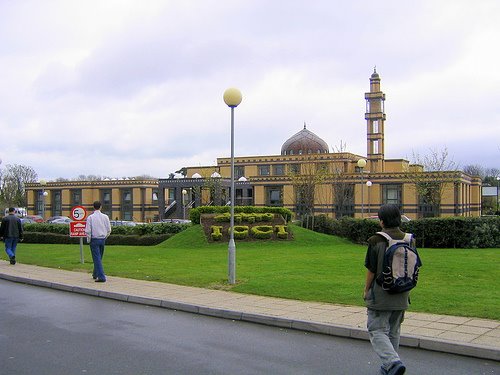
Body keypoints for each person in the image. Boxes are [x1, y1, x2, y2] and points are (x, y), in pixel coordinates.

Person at [363, 204, 416, 375]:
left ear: (382, 221)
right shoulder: (409, 239)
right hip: (402, 293)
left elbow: (371, 269)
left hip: (381, 294)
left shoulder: (376, 240)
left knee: (376, 330)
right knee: (393, 331)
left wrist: (366, 290)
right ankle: (389, 367)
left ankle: (392, 362)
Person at [85, 201, 111, 282]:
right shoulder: (105, 217)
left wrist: (89, 239)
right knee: (99, 257)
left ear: (93, 207)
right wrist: (105, 237)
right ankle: (95, 273)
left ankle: (101, 277)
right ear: (101, 207)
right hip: (102, 239)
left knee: (96, 258)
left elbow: (88, 230)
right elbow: (109, 229)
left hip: (94, 239)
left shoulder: (90, 217)